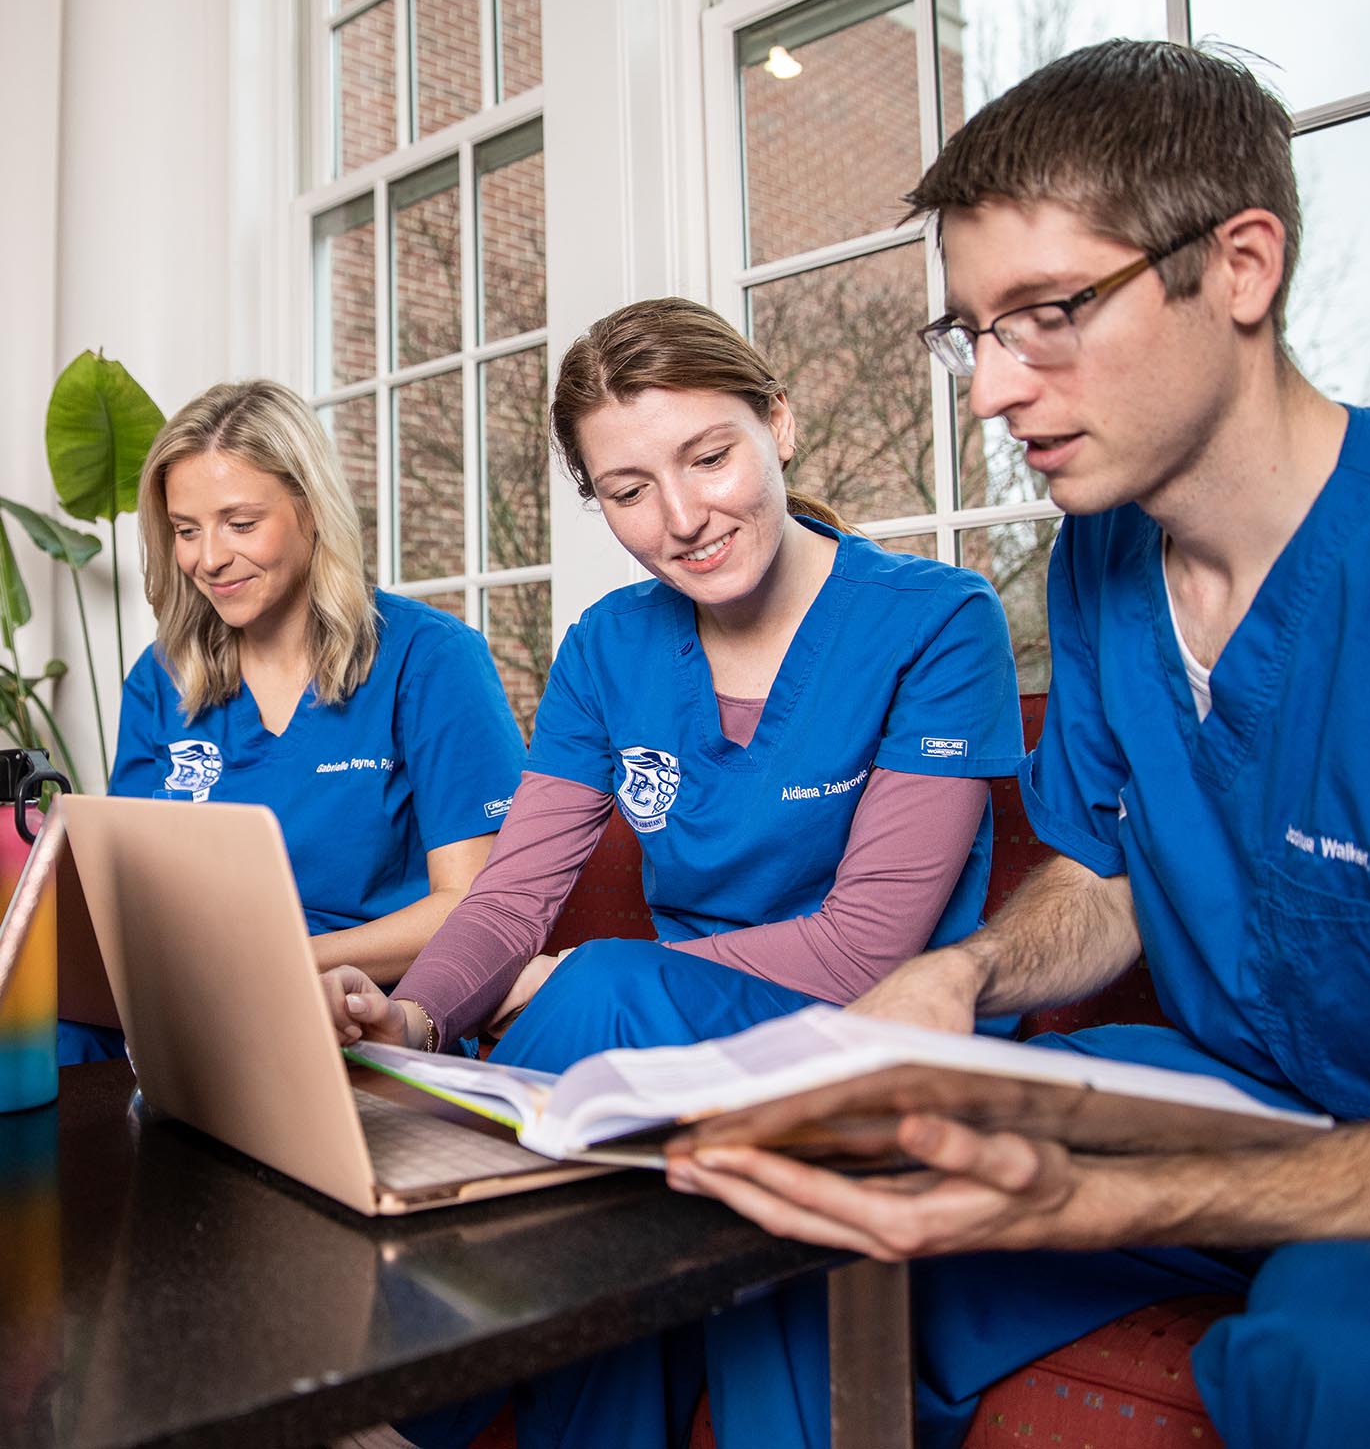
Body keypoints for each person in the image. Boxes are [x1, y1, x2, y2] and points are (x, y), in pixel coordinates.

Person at [667, 40, 1370, 1449]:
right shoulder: (1101, 562)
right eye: (972, 334)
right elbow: (1107, 873)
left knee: (1347, 1362)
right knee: (811, 1207)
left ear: (1240, 266)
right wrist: (968, 970)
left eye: (1047, 313)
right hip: (1235, 1099)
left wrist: (1125, 1199)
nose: (989, 390)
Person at [322, 297, 1026, 1449]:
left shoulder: (940, 622)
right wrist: (410, 1014)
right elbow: (509, 895)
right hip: (664, 1067)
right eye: (628, 490)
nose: (683, 518)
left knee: (597, 992)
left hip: (867, 1046)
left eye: (709, 457)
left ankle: (390, 1410)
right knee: (596, 1203)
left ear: (779, 427)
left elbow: (867, 945)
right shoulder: (610, 644)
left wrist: (591, 983)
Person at [60, 379, 526, 1064]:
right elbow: (129, 892)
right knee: (38, 1035)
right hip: (188, 994)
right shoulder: (162, 677)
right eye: (187, 531)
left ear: (312, 512)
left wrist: (281, 962)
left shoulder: (431, 659)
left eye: (240, 524)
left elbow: (472, 906)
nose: (209, 558)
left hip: (356, 1004)